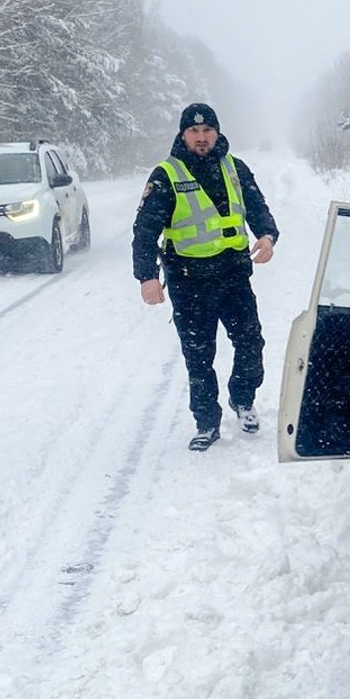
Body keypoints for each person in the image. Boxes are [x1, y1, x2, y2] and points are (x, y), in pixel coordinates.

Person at [133, 103, 280, 451]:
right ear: (183, 135)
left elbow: (259, 210)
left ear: (217, 132)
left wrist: (268, 236)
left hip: (233, 276)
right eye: (194, 132)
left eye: (207, 131)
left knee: (250, 344)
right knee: (199, 357)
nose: (201, 138)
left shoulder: (235, 168)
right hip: (189, 281)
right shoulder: (166, 175)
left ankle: (242, 399)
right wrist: (146, 277)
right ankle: (206, 423)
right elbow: (145, 230)